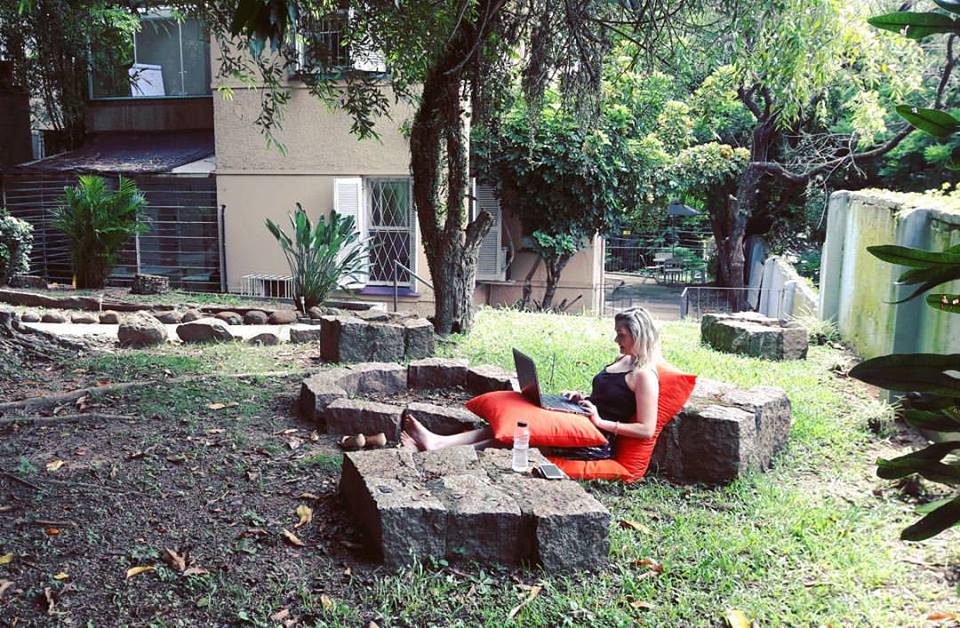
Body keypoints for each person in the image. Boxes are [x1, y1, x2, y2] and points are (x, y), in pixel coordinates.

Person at [400, 307, 661, 460]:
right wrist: (580, 398)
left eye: (621, 335)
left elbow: (646, 429)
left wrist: (601, 422)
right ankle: (439, 443)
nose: (616, 340)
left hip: (596, 441)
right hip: (583, 420)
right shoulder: (623, 360)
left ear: (639, 335)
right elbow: (607, 397)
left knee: (521, 433)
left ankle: (442, 452)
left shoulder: (644, 376)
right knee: (514, 421)